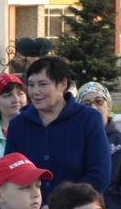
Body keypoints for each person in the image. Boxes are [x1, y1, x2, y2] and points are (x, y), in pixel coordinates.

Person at [6, 55, 109, 200]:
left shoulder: (88, 119)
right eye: (31, 84)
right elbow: (12, 173)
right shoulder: (18, 124)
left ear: (62, 84)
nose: (35, 91)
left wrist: (63, 207)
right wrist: (37, 207)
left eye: (42, 84)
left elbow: (99, 174)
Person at [77, 83, 121, 209]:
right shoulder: (73, 142)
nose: (93, 107)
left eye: (99, 101)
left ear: (108, 106)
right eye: (86, 104)